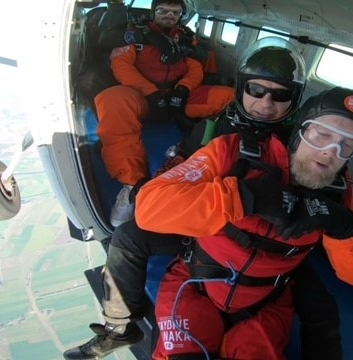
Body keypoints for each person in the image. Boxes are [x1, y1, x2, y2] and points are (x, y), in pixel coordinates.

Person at [63, 36, 311, 360]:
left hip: (263, 245)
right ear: (241, 88)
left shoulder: (304, 147)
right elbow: (179, 166)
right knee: (127, 238)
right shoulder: (214, 130)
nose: (266, 104)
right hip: (202, 228)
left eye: (280, 95)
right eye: (256, 90)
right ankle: (120, 327)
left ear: (295, 99)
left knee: (317, 308)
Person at [135, 86, 353, 359]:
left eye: (347, 145)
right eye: (321, 135)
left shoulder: (339, 194)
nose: (330, 152)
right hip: (197, 283)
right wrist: (245, 195)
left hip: (266, 302)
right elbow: (149, 207)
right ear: (299, 130)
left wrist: (345, 227)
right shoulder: (232, 152)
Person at [95, 0, 235, 227]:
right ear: (154, 13)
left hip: (178, 97)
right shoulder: (135, 35)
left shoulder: (187, 39)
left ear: (181, 16)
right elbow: (122, 66)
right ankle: (132, 185)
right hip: (143, 96)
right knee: (112, 100)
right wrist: (151, 93)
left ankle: (218, 160)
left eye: (175, 12)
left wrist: (184, 89)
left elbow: (194, 67)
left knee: (228, 97)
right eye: (163, 10)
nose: (169, 15)